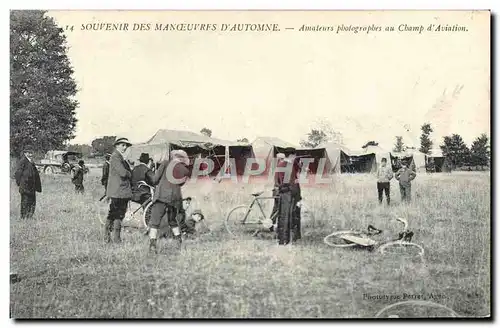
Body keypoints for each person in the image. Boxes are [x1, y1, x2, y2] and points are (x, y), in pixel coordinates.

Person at [147, 149, 191, 254]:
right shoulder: (185, 170)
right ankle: (179, 241)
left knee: (154, 221)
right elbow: (181, 184)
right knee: (172, 220)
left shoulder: (166, 163)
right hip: (175, 198)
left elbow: (155, 179)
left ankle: (153, 245)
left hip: (162, 196)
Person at [104, 137, 133, 243]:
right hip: (119, 192)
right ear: (117, 145)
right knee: (116, 215)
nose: (125, 147)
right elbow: (123, 173)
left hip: (120, 191)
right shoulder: (116, 157)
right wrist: (130, 173)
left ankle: (111, 238)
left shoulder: (118, 157)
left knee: (115, 214)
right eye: (122, 145)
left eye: (126, 146)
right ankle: (113, 238)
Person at [276, 152, 302, 245]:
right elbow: (291, 182)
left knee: (284, 217)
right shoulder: (287, 165)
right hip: (288, 193)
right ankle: (284, 240)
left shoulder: (282, 164)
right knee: (286, 217)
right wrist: (297, 195)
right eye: (294, 155)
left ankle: (283, 239)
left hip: (285, 192)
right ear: (291, 156)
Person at [15, 146, 42, 219]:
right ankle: (24, 217)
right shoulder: (22, 161)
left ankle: (30, 216)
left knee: (32, 202)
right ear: (25, 153)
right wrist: (20, 183)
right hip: (25, 186)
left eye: (31, 152)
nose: (31, 154)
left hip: (32, 186)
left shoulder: (31, 161)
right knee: (25, 202)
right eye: (29, 153)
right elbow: (18, 173)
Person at [270, 153, 287, 230]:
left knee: (276, 209)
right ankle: (272, 225)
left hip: (277, 190)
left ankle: (271, 224)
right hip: (278, 191)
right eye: (282, 159)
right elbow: (278, 182)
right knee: (279, 209)